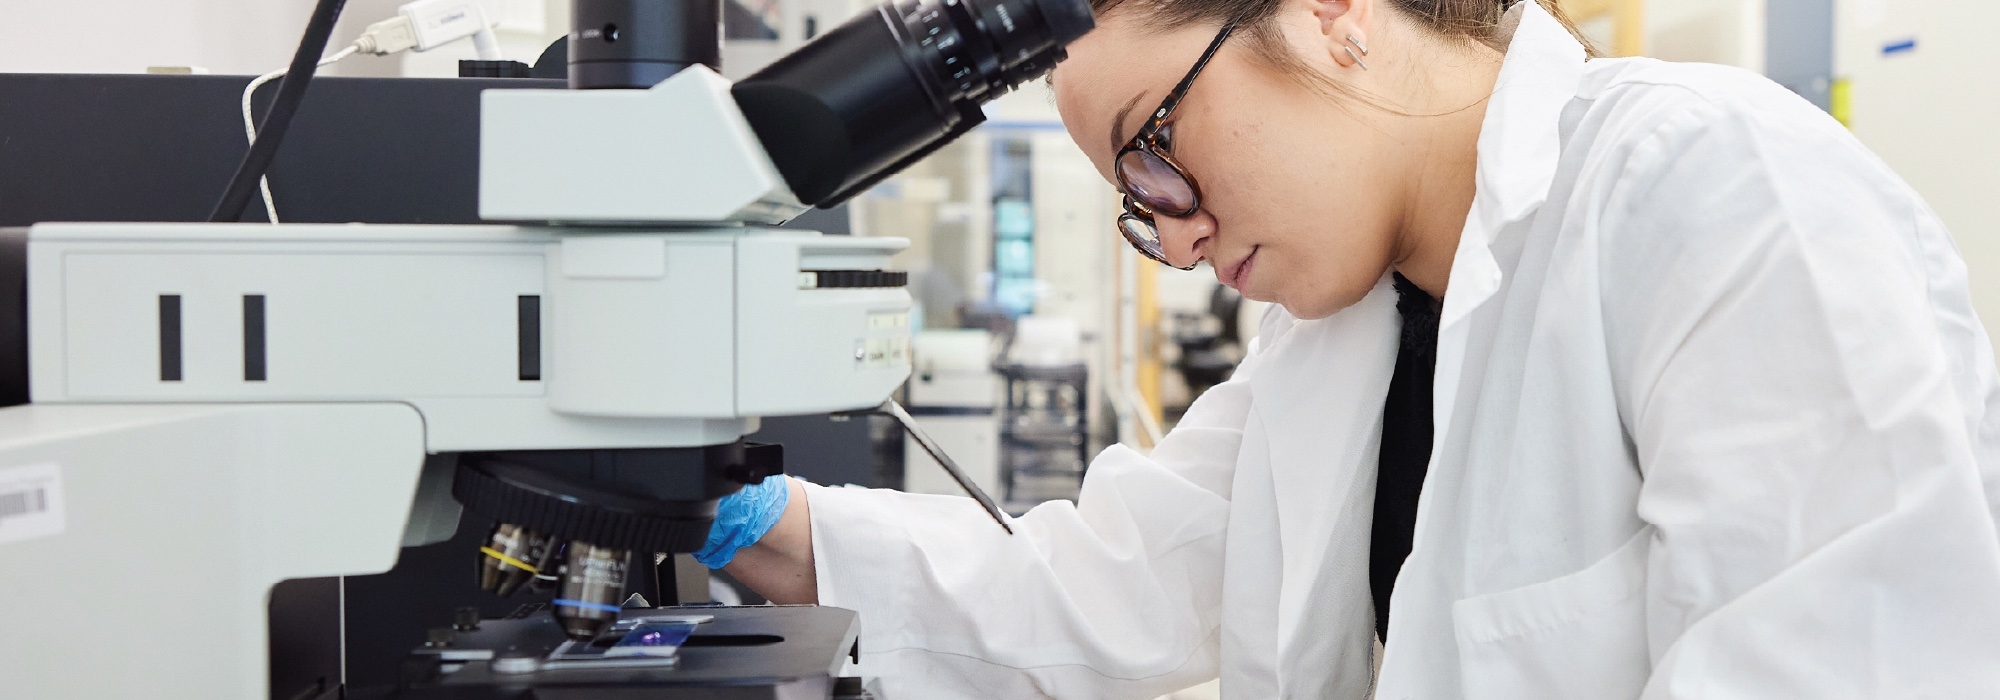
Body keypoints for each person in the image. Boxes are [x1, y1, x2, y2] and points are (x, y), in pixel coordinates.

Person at [698, 0, 2000, 697]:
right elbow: (1096, 591)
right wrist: (723, 509)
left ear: (1331, 13)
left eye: (1159, 146)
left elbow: (1843, 667)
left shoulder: (1712, 192)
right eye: (1134, 200)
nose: (1178, 233)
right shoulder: (1336, 334)